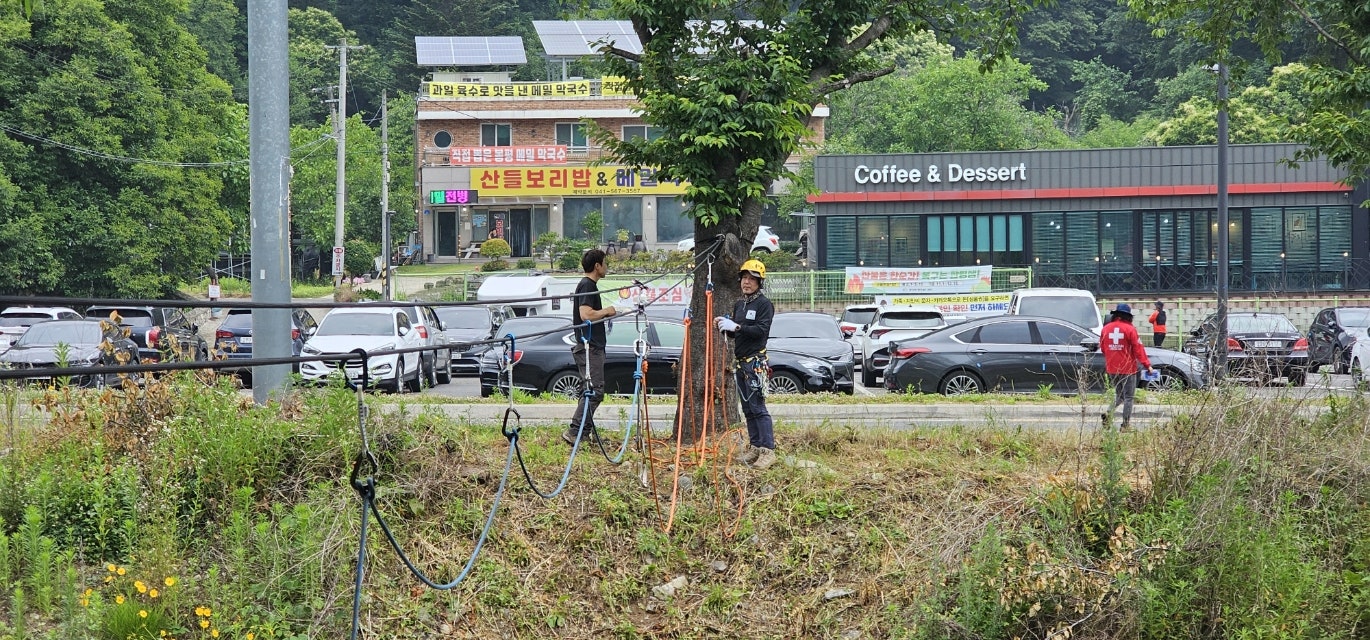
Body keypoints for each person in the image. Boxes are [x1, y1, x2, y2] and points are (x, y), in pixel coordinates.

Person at [716, 259, 777, 469]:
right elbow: (737, 334)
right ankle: (755, 446)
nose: (747, 282)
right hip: (741, 363)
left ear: (760, 282)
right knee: (747, 408)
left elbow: (761, 331)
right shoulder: (740, 304)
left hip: (755, 362)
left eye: (752, 279)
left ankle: (768, 450)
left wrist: (738, 327)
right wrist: (725, 328)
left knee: (758, 407)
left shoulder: (764, 305)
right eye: (744, 278)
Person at [564, 249, 618, 445]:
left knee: (589, 390)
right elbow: (586, 314)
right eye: (605, 263)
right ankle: (575, 431)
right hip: (589, 348)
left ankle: (584, 433)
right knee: (595, 391)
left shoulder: (588, 285)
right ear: (597, 266)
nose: (607, 267)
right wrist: (607, 311)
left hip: (591, 347)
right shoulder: (587, 285)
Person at [1101, 303, 1154, 432]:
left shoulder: (1106, 329)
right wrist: (1147, 365)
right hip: (1127, 368)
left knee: (1119, 395)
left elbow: (1103, 348)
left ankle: (1109, 413)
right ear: (1128, 316)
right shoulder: (1130, 329)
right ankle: (1125, 426)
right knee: (1129, 397)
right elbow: (1138, 349)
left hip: (1112, 368)